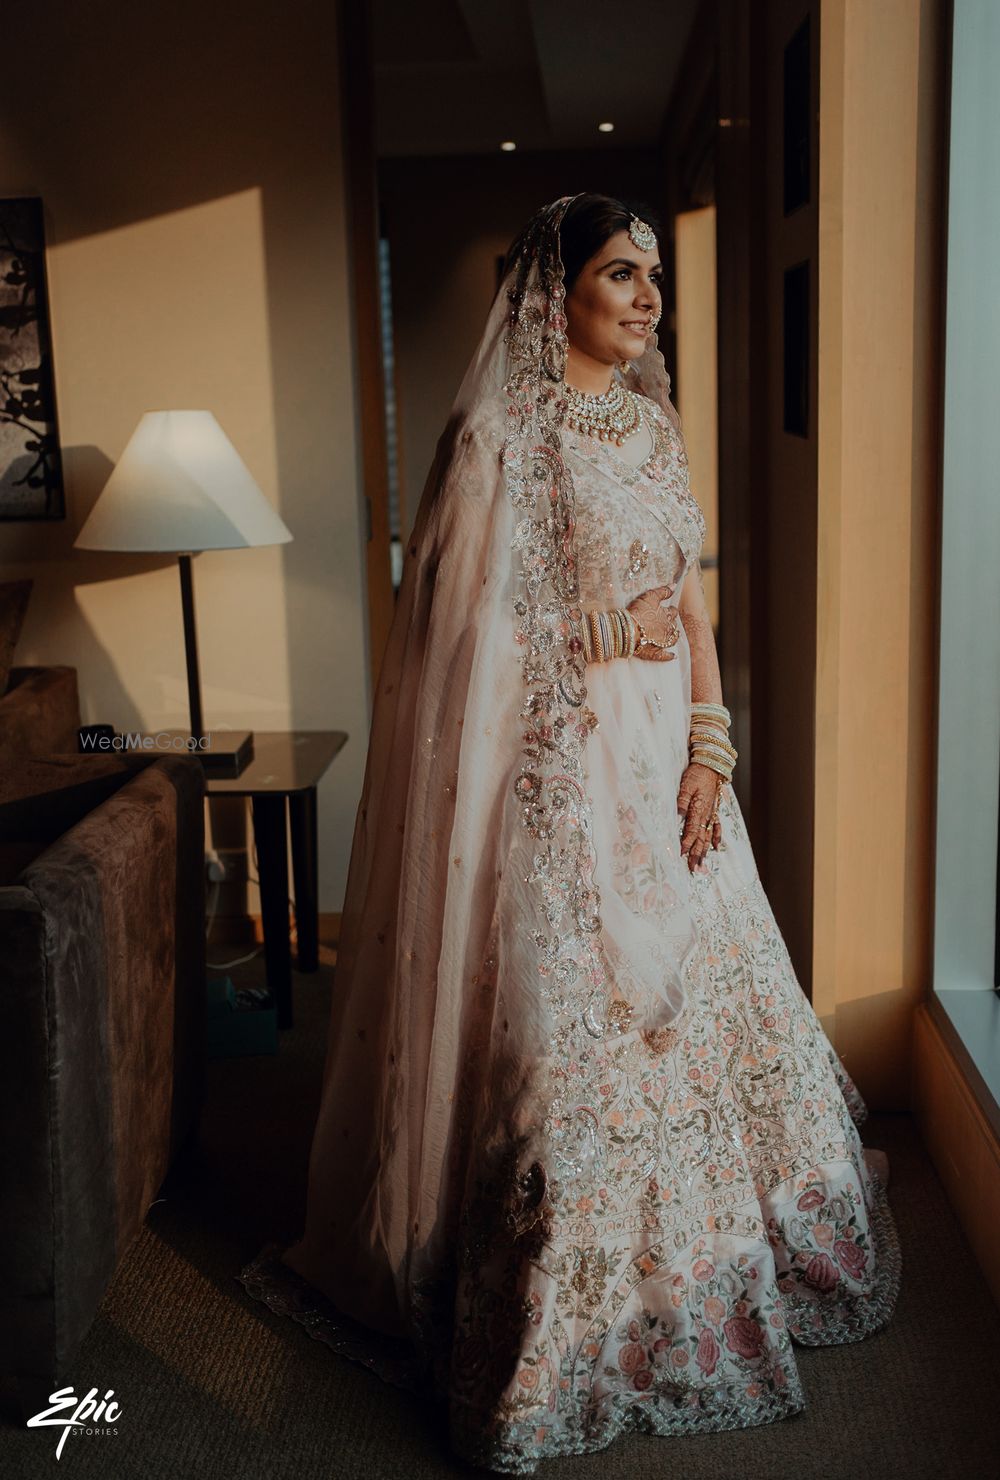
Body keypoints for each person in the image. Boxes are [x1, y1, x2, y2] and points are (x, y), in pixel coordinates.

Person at [239, 193, 901, 1473]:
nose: (646, 297)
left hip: (667, 769)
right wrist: (603, 636)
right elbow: (448, 644)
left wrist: (714, 750)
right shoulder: (497, 440)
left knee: (715, 1011)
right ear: (558, 292)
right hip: (554, 778)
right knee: (561, 1045)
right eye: (619, 273)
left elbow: (693, 607)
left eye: (653, 275)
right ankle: (556, 1307)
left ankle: (714, 1264)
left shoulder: (653, 429)